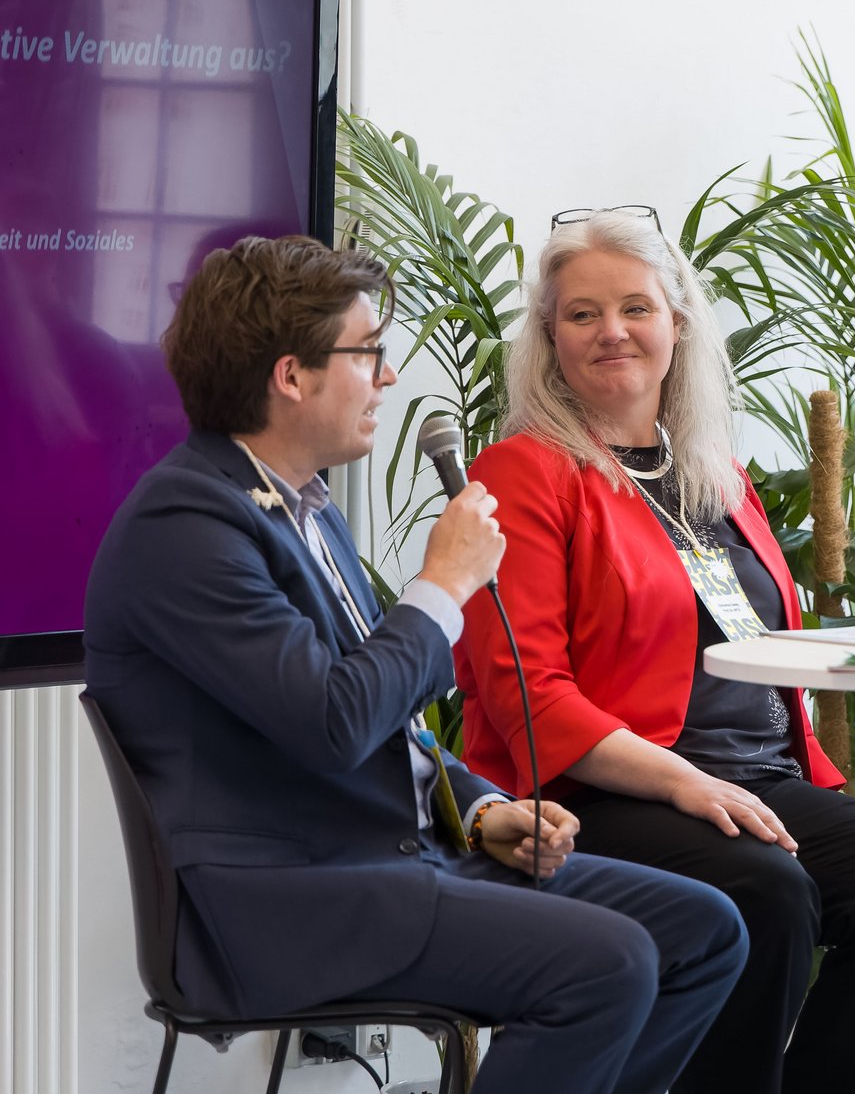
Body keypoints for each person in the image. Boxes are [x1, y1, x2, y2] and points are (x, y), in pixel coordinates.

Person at [82, 235, 747, 1094]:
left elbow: (379, 722)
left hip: (394, 857)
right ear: (292, 375)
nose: (388, 379)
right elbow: (333, 722)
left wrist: (482, 810)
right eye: (370, 354)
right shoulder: (187, 527)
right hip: (286, 900)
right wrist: (442, 584)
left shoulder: (303, 506)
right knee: (608, 961)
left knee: (705, 930)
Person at [454, 207, 855, 1094]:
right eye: (582, 314)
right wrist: (685, 780)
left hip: (755, 779)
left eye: (636, 308)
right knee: (762, 892)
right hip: (596, 791)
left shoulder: (715, 476)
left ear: (677, 324)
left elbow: (763, 644)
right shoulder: (524, 471)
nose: (613, 332)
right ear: (550, 338)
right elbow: (525, 695)